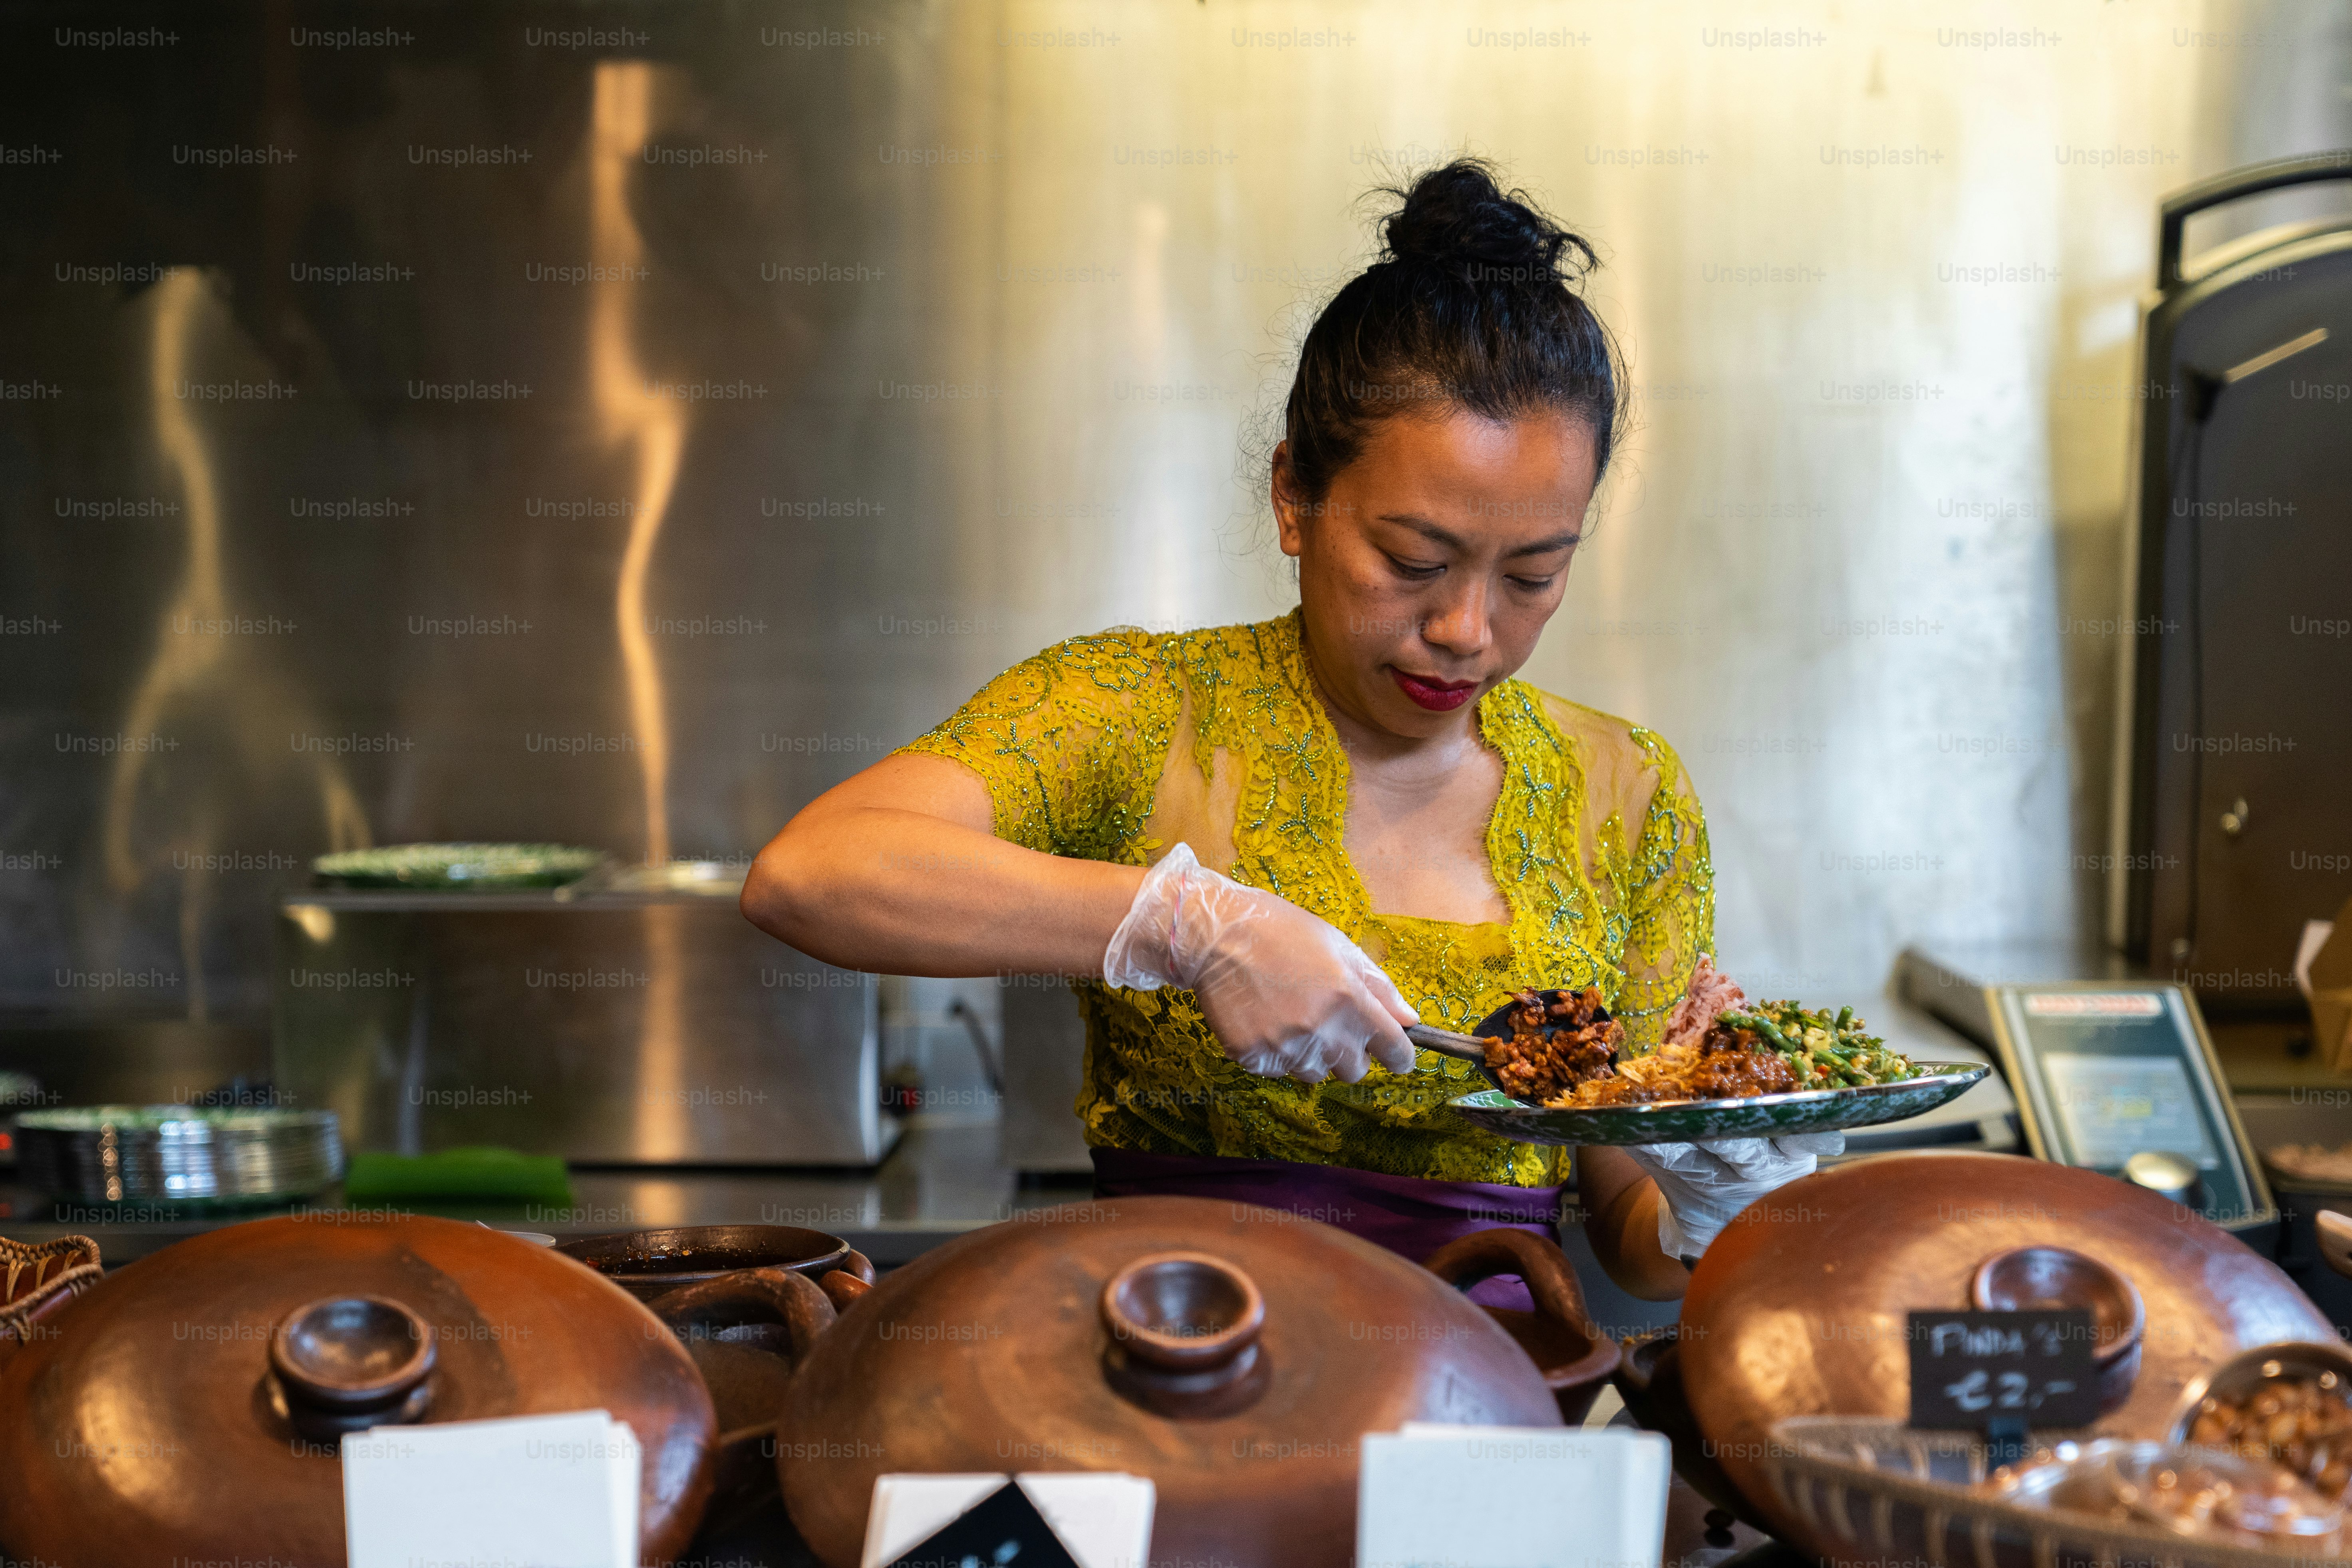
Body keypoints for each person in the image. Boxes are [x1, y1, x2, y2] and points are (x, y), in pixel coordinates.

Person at [743, 159, 1834, 1307]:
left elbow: (1628, 1233)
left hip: (1494, 1410)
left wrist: (1712, 1204)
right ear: (1292, 499)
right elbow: (810, 875)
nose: (1467, 630)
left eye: (1533, 573)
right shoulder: (1140, 710)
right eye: (1413, 562)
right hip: (1192, 1382)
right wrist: (1184, 925)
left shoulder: (1627, 791)